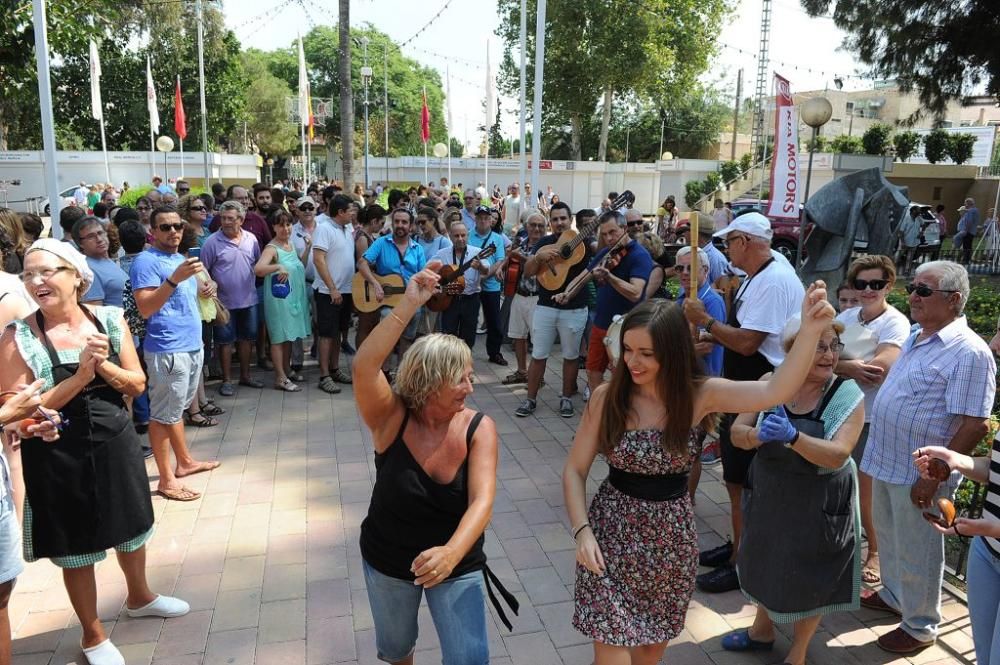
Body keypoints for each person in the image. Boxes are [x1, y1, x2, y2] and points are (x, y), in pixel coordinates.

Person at [564, 285, 836, 665]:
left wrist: (808, 332)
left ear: (673, 354)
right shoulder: (607, 397)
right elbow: (575, 470)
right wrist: (582, 531)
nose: (632, 362)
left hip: (669, 543)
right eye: (627, 350)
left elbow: (775, 391)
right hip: (609, 537)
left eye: (646, 353)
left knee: (647, 656)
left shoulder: (699, 395)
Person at [0, 239, 190, 665]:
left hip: (114, 441)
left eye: (46, 271)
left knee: (132, 524)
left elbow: (137, 384)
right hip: (56, 457)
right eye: (28, 273)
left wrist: (102, 366)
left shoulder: (108, 318)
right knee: (76, 545)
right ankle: (92, 634)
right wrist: (81, 376)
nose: (35, 281)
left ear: (75, 276)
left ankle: (140, 597)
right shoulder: (18, 337)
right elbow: (17, 412)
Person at [354, 260, 516, 665]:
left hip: (457, 559)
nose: (470, 386)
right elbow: (363, 366)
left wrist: (450, 554)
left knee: (469, 659)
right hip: (388, 559)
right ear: (429, 380)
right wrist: (409, 304)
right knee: (396, 650)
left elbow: (482, 503)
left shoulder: (479, 427)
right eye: (461, 378)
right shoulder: (391, 418)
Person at [859, 260, 996, 655]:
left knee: (918, 547)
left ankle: (920, 626)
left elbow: (975, 425)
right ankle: (895, 595)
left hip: (920, 473)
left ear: (953, 300)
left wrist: (933, 477)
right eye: (913, 287)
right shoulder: (920, 335)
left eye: (923, 290)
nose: (911, 296)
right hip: (887, 459)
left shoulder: (968, 351)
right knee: (890, 537)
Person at [724, 316, 864, 665]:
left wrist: (794, 437)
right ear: (792, 350)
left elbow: (838, 455)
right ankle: (761, 631)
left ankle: (798, 654)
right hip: (772, 493)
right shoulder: (771, 383)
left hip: (819, 501)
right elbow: (736, 434)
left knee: (811, 575)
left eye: (834, 346)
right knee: (766, 561)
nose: (829, 354)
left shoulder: (845, 393)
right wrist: (757, 435)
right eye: (818, 345)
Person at [682, 212, 805, 593]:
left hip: (759, 389)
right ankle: (739, 545)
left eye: (729, 240)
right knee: (737, 480)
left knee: (742, 482)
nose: (725, 248)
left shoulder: (773, 280)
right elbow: (748, 335)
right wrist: (716, 338)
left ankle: (743, 563)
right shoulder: (761, 275)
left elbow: (751, 343)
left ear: (746, 242)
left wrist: (707, 323)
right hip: (747, 385)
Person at [914, 346, 1000, 665]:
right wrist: (957, 460)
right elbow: (996, 468)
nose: (995, 343)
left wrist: (993, 527)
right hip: (986, 554)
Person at [130, 205, 221, 502]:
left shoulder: (179, 258)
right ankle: (166, 480)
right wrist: (174, 280)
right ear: (152, 232)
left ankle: (184, 463)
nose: (173, 232)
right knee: (162, 416)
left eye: (177, 226)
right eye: (165, 227)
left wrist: (206, 288)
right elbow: (145, 307)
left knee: (174, 412)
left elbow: (186, 297)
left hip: (190, 344)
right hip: (168, 348)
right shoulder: (146, 261)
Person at [834, 255, 911, 585]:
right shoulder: (847, 315)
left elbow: (878, 371)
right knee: (838, 484)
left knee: (867, 490)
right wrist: (851, 366)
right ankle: (843, 545)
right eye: (861, 284)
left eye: (876, 284)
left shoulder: (896, 322)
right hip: (840, 409)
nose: (868, 290)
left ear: (888, 286)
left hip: (870, 418)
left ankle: (876, 552)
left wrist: (842, 364)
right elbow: (817, 355)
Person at [556, 211, 653, 403]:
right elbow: (582, 277)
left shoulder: (639, 255)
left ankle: (623, 416)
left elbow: (636, 292)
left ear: (624, 229)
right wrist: (566, 293)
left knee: (623, 376)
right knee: (593, 371)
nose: (608, 238)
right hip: (601, 325)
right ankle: (601, 411)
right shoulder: (606, 253)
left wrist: (610, 277)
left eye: (612, 232)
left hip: (625, 328)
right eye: (604, 234)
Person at [201, 201, 263, 397]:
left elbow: (257, 264)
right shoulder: (211, 242)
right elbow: (203, 271)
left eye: (231, 218)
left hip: (249, 300)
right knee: (224, 342)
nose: (226, 222)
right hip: (223, 303)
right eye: (223, 218)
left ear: (241, 220)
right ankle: (227, 380)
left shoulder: (251, 239)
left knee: (247, 339)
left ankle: (245, 376)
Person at [358, 208, 427, 373]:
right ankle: (385, 371)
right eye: (397, 222)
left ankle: (401, 371)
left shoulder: (418, 249)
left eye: (404, 222)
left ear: (410, 226)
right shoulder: (382, 243)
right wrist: (375, 283)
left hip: (410, 300)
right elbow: (362, 263)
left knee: (408, 336)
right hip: (387, 301)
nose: (400, 225)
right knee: (386, 320)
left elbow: (423, 276)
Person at [254, 209, 310, 392]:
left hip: (293, 298)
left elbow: (297, 265)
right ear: (273, 227)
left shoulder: (290, 244)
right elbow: (259, 269)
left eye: (288, 224)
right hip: (279, 300)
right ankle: (280, 378)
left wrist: (308, 248)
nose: (285, 228)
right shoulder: (272, 248)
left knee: (288, 337)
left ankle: (286, 371)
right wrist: (277, 266)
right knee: (278, 338)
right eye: (280, 225)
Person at [312, 194, 356, 393]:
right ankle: (324, 375)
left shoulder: (348, 228)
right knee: (326, 334)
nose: (353, 214)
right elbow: (319, 260)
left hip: (346, 290)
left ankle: (335, 368)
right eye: (351, 210)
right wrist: (332, 288)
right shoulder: (324, 228)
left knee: (338, 332)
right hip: (328, 292)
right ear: (340, 212)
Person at [501, 213, 545, 385]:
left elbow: (540, 266)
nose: (536, 229)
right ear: (526, 227)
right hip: (519, 294)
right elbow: (510, 258)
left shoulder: (547, 246)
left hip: (538, 298)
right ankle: (521, 372)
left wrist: (521, 258)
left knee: (538, 340)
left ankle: (538, 377)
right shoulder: (520, 243)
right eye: (533, 225)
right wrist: (502, 267)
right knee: (518, 336)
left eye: (540, 225)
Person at [434, 221, 491, 348]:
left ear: (467, 236)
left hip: (470, 300)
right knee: (448, 336)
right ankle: (449, 365)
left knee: (468, 336)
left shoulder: (477, 252)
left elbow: (486, 270)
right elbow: (429, 272)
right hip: (449, 300)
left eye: (463, 235)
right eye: (456, 236)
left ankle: (465, 364)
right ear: (450, 235)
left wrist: (480, 266)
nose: (460, 239)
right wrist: (438, 286)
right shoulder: (442, 254)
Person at [467, 206, 508, 366]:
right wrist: (475, 279)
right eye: (480, 217)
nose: (483, 220)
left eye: (486, 217)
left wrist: (483, 276)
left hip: (491, 286)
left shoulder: (497, 238)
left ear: (491, 220)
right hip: (471, 286)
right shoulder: (468, 235)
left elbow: (499, 261)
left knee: (494, 322)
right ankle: (465, 355)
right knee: (470, 321)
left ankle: (494, 353)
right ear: (475, 219)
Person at [289, 195, 319, 373]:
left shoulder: (324, 229)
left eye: (310, 207)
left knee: (319, 321)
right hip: (300, 283)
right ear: (297, 211)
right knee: (298, 322)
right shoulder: (291, 232)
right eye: (303, 208)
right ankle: (297, 360)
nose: (307, 211)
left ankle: (317, 349)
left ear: (316, 209)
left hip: (321, 283)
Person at [73, 217, 126, 307]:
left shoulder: (105, 261)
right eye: (91, 236)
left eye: (100, 233)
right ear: (80, 243)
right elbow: (94, 313)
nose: (99, 239)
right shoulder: (88, 270)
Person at [954, 197, 979, 265]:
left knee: (966, 246)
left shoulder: (970, 211)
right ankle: (967, 259)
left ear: (968, 204)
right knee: (969, 245)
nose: (965, 205)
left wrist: (966, 230)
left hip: (968, 231)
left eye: (965, 203)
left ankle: (965, 260)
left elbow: (969, 221)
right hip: (973, 231)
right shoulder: (976, 211)